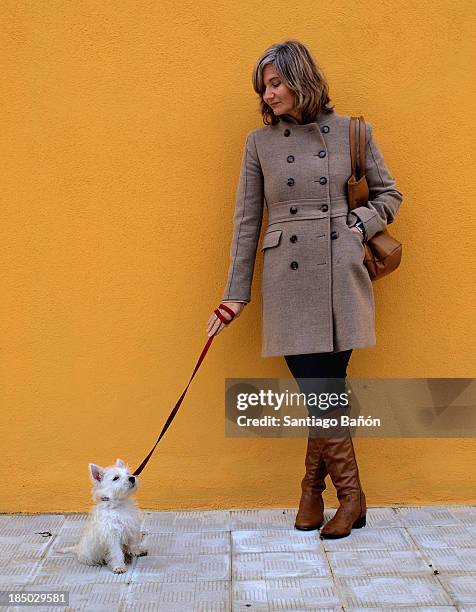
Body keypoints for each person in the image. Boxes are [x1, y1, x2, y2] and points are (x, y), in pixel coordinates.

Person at [206, 40, 403, 538]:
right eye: (263, 88)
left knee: (325, 391)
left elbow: (389, 193)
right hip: (289, 279)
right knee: (324, 391)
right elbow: (247, 221)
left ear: (300, 78)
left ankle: (319, 495)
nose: (268, 95)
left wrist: (359, 222)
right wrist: (235, 295)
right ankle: (343, 497)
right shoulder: (259, 144)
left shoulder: (352, 132)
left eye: (275, 83)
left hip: (339, 274)